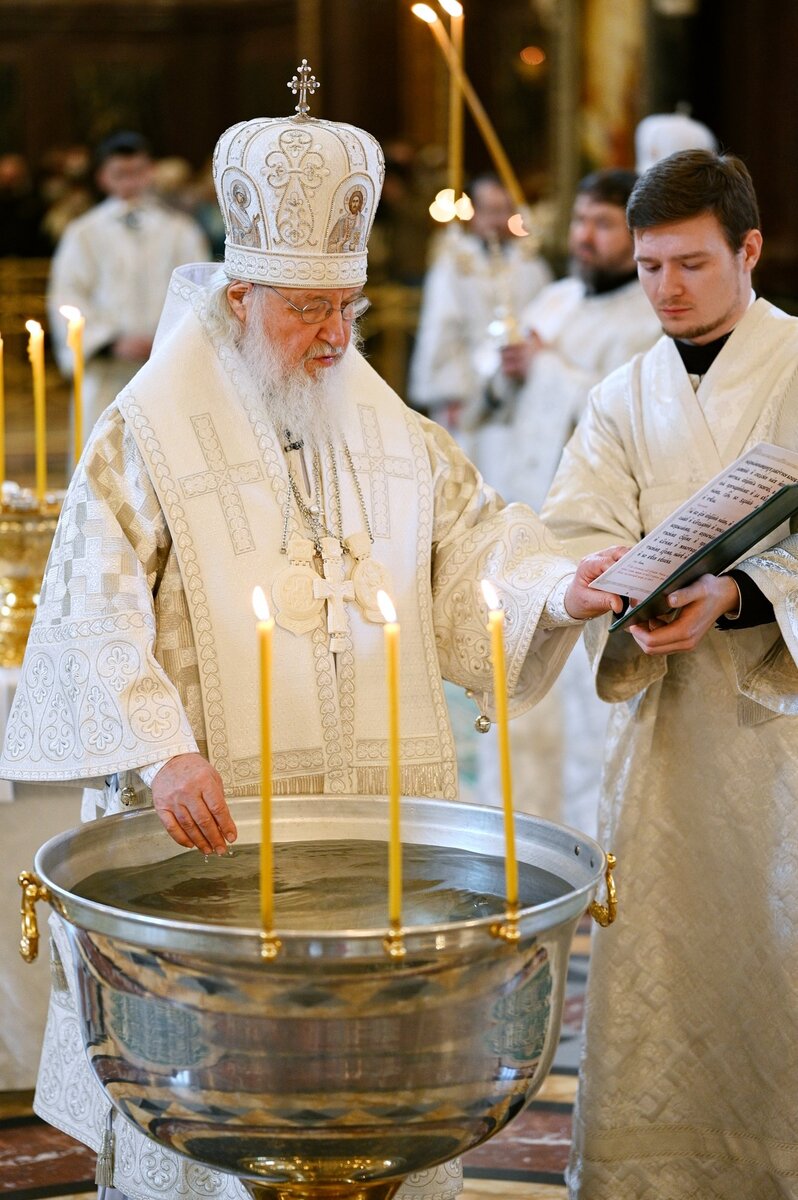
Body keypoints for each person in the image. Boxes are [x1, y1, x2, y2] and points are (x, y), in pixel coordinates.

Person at [1, 80, 623, 1200]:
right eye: (305, 311)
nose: (335, 337)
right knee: (203, 1132)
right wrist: (158, 747)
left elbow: (471, 549)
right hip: (208, 835)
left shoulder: (387, 427)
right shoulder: (147, 428)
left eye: (349, 310)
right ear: (240, 297)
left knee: (371, 1104)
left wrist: (561, 591)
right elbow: (89, 600)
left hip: (368, 849)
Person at [541, 149, 798, 1197]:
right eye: (649, 268)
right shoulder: (619, 393)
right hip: (665, 726)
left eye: (691, 265)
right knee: (667, 952)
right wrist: (615, 584)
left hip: (779, 726)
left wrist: (740, 595)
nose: (667, 291)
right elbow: (577, 526)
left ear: (749, 248)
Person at [482, 169, 660, 835]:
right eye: (582, 220)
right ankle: (520, 842)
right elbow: (497, 394)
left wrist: (546, 368)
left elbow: (624, 408)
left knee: (586, 706)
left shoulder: (646, 317)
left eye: (604, 224)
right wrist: (501, 369)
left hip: (591, 536)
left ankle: (593, 848)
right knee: (521, 694)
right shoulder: (553, 299)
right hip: (523, 524)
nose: (585, 236)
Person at [47, 131, 209, 453]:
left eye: (137, 172)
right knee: (101, 453)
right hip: (107, 367)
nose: (130, 181)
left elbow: (198, 289)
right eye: (120, 174)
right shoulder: (84, 232)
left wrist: (166, 337)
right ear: (103, 177)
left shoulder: (179, 229)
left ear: (150, 172)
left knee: (164, 455)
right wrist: (109, 341)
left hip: (162, 363)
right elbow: (68, 294)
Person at [407, 173, 552, 467]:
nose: (497, 220)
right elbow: (441, 330)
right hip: (467, 391)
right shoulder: (455, 264)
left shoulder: (530, 265)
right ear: (473, 212)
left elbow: (545, 324)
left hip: (520, 388)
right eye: (490, 211)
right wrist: (449, 395)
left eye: (503, 210)